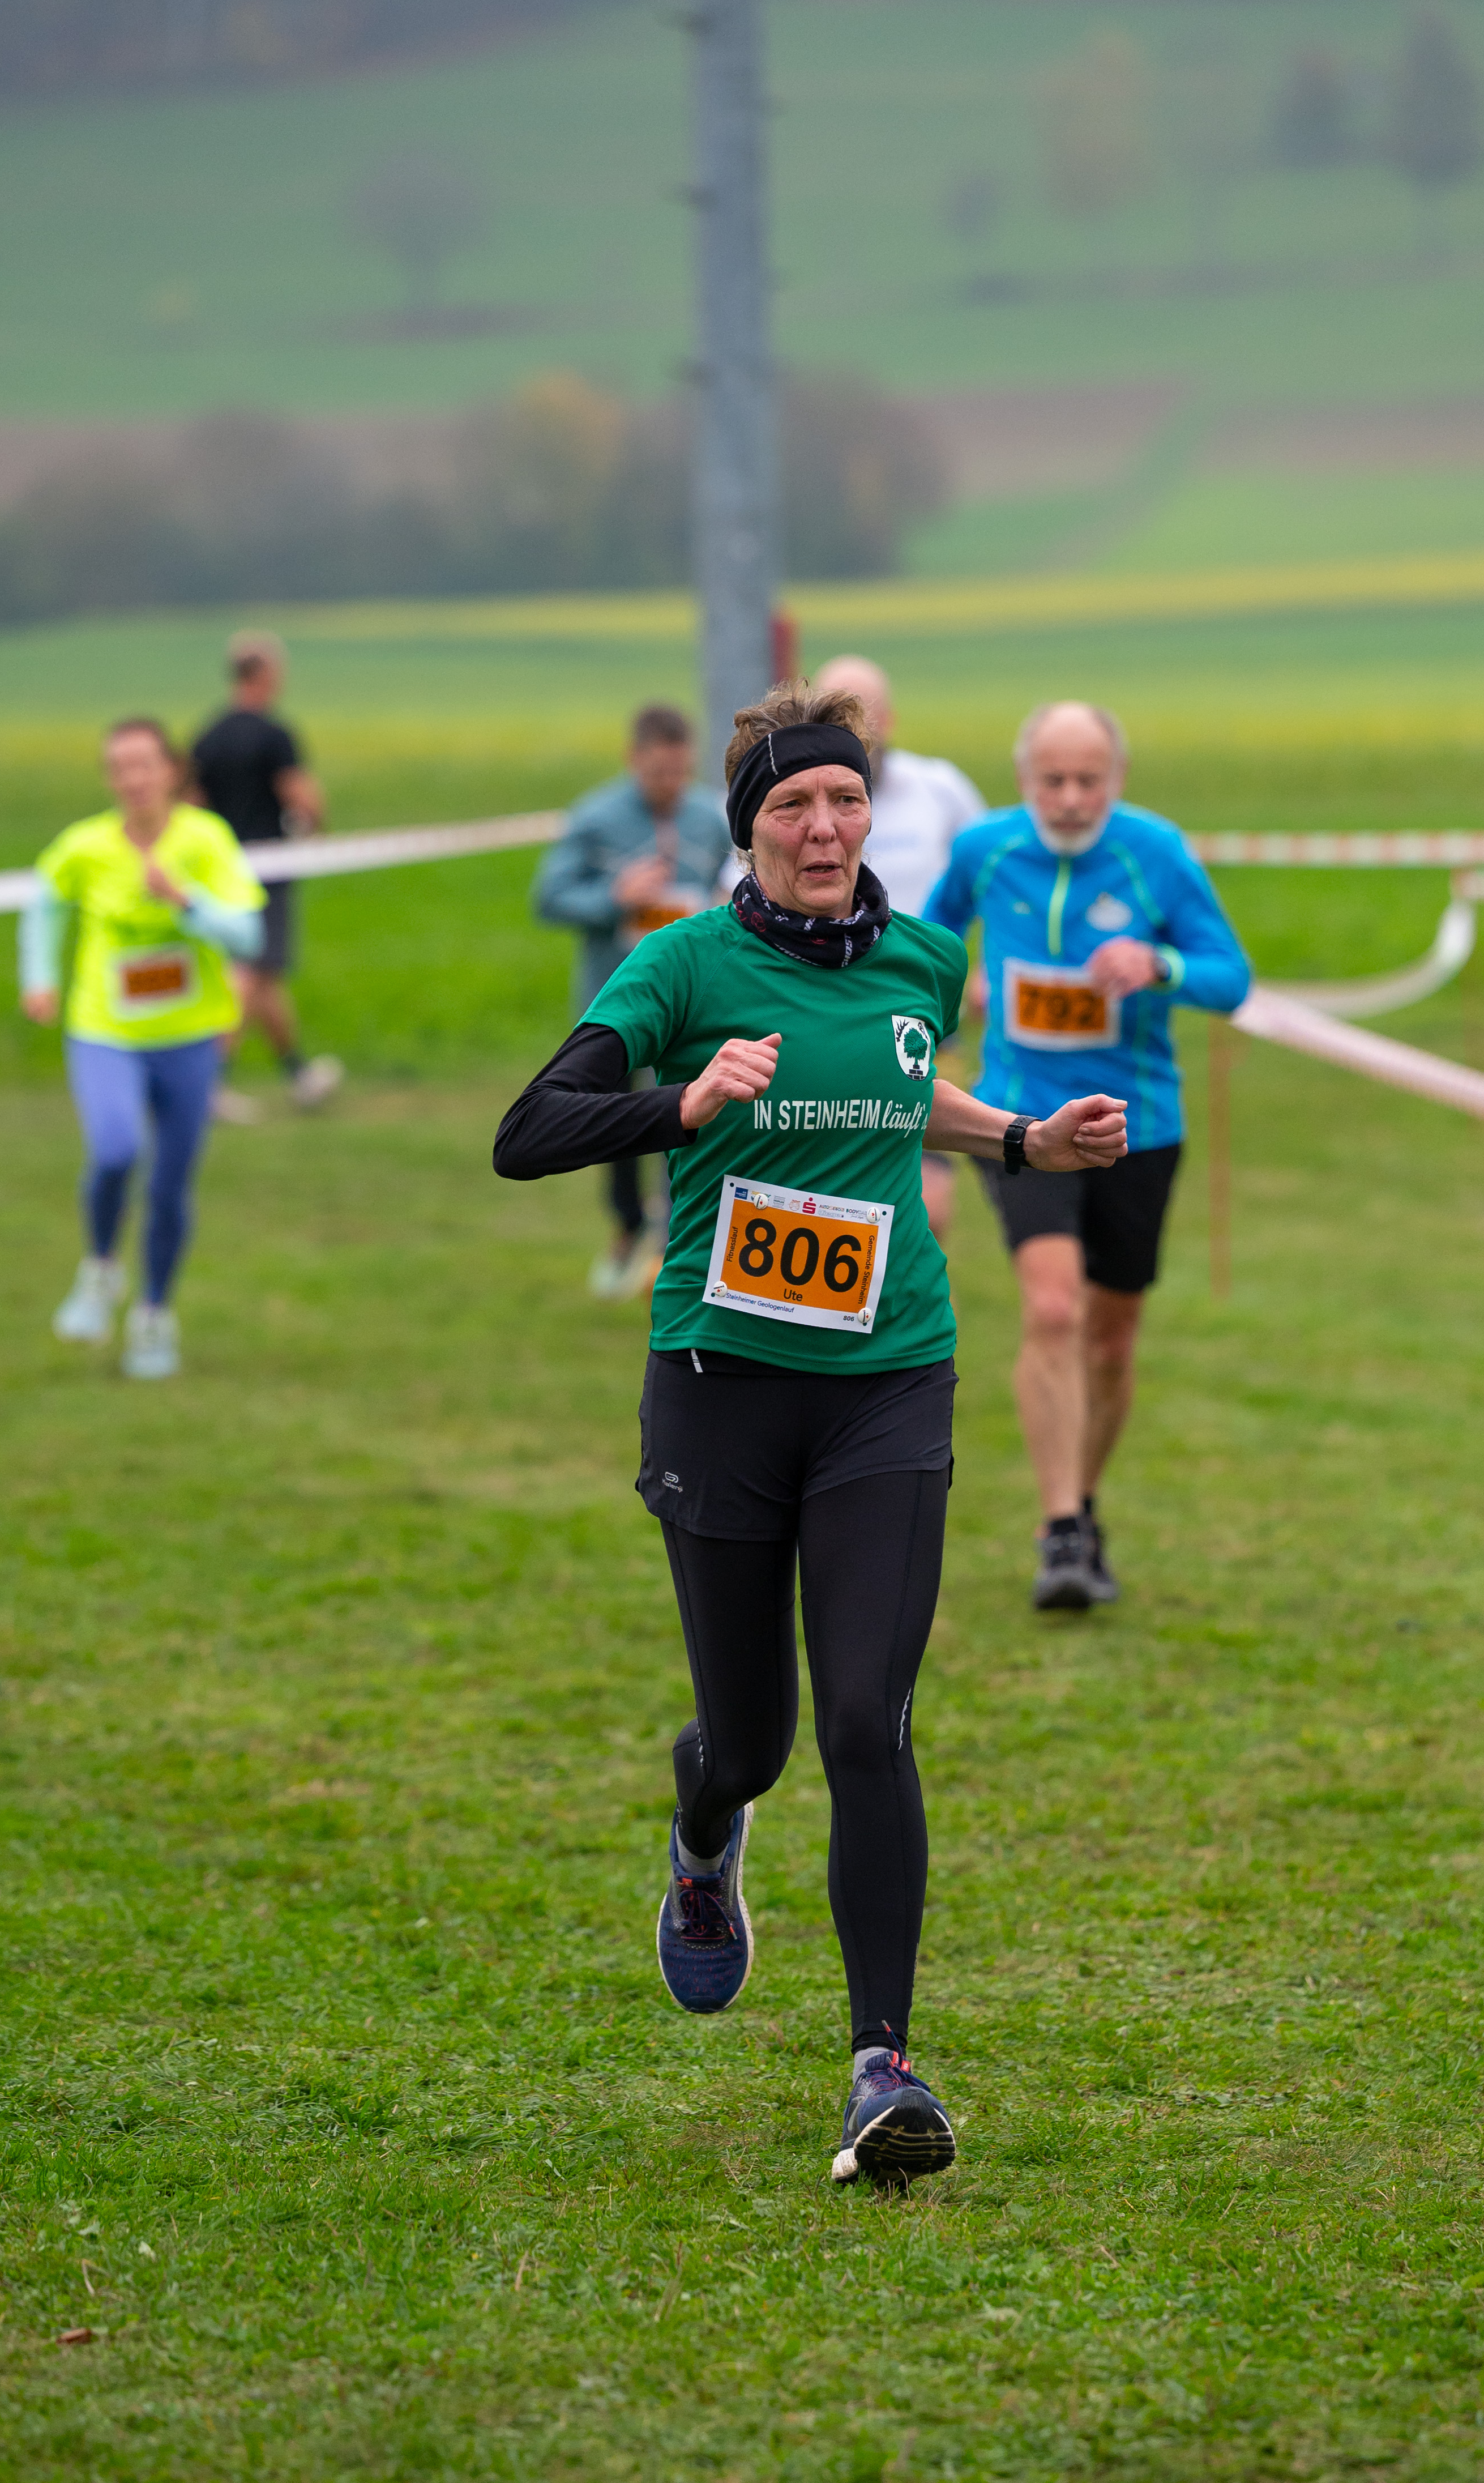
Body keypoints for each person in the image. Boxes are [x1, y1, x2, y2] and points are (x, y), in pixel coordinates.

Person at [495, 682, 1126, 2187]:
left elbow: (899, 1089)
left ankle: (880, 2067)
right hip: (720, 1384)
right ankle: (704, 1830)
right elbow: (527, 1133)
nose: (827, 825)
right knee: (754, 1741)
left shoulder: (923, 961)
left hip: (887, 1380)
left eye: (846, 798)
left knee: (866, 1719)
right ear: (750, 830)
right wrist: (679, 1103)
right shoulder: (680, 965)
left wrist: (1019, 1138)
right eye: (793, 804)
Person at [924, 701, 1251, 1613]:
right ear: (1023, 781)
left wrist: (1160, 966)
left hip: (1135, 1126)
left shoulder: (1156, 853)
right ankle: (1060, 1527)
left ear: (1118, 779)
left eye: (1088, 781)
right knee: (1053, 1308)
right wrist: (954, 988)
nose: (1070, 799)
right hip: (1020, 1116)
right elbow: (925, 942)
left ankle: (1085, 1500)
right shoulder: (984, 849)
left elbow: (1231, 977)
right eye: (1053, 781)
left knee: (1110, 1340)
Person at [19, 718, 266, 1380]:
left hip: (189, 1037)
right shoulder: (85, 845)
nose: (132, 778)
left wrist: (187, 902)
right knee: (116, 1150)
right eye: (119, 767)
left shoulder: (206, 840)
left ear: (171, 770)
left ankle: (154, 1314)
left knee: (169, 1184)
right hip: (106, 1031)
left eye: (144, 764)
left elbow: (247, 937)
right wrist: (39, 976)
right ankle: (101, 1268)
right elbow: (44, 902)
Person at [532, 703, 733, 1300]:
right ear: (633, 760)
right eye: (657, 773)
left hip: (692, 1002)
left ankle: (675, 1241)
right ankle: (627, 1224)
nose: (669, 785)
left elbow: (732, 884)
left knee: (688, 1115)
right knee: (614, 1122)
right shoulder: (595, 818)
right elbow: (549, 897)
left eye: (679, 772)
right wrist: (614, 898)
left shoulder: (709, 817)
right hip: (615, 1002)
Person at [812, 655, 987, 1243]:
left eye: (862, 717)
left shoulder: (940, 789)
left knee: (926, 1210)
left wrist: (987, 970)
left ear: (888, 718)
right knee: (834, 1194)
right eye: (836, 718)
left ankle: (909, 1294)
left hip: (919, 1018)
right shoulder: (793, 797)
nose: (852, 734)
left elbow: (1002, 882)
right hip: (820, 1013)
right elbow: (730, 891)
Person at [190, 632, 342, 1123]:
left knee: (266, 976)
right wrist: (315, 830)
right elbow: (302, 797)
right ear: (267, 674)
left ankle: (298, 1074)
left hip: (218, 869)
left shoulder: (207, 735)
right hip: (266, 872)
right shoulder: (275, 735)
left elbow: (191, 803)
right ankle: (207, 1083)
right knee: (249, 975)